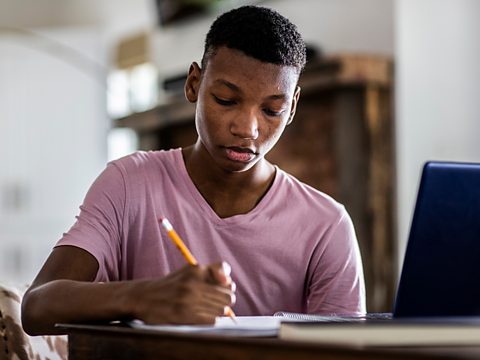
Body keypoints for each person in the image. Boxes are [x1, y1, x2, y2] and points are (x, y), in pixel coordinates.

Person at [22, 5, 365, 336]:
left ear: (291, 109)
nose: (247, 129)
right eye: (226, 100)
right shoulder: (129, 184)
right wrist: (145, 297)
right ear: (194, 84)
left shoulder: (326, 226)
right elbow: (36, 307)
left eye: (272, 110)